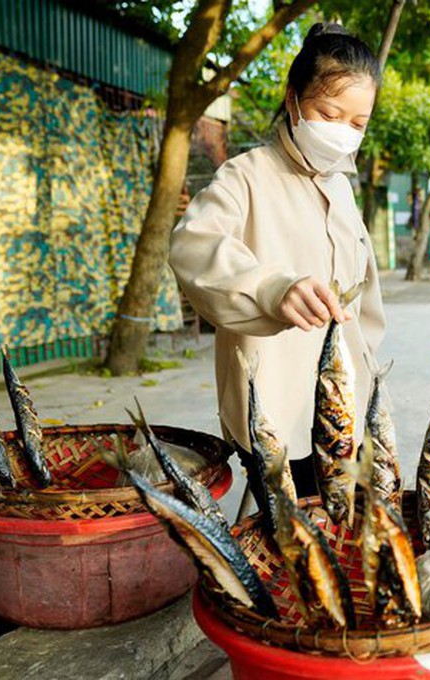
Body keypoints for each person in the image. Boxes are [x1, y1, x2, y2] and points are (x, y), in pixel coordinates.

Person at [169, 23, 385, 499]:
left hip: (347, 410)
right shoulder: (246, 176)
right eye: (329, 113)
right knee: (293, 548)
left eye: (357, 124)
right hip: (274, 413)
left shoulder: (342, 189)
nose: (342, 133)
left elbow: (365, 299)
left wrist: (370, 380)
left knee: (350, 540)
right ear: (292, 101)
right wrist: (272, 288)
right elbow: (191, 244)